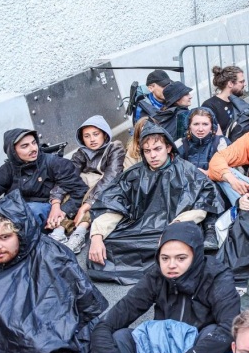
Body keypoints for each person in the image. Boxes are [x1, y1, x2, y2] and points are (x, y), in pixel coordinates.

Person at [89, 121, 225, 283]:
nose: (152, 155)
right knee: (106, 245)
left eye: (157, 149)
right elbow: (113, 204)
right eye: (147, 151)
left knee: (177, 245)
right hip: (139, 228)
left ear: (168, 148)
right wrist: (96, 236)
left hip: (175, 226)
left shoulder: (187, 171)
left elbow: (200, 207)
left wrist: (173, 229)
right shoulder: (134, 174)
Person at [0, 192, 107, 353]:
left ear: (19, 233)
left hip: (38, 329)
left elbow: (62, 310)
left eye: (4, 237)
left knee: (36, 347)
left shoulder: (52, 255)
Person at [92, 222, 240, 353]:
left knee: (213, 332)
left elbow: (229, 326)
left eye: (181, 258)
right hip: (162, 347)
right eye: (165, 258)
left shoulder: (217, 277)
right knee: (120, 337)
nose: (171, 265)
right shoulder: (155, 276)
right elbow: (107, 324)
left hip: (198, 349)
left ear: (196, 256)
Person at [0, 128, 86, 230]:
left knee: (8, 224)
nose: (33, 148)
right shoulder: (9, 167)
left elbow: (80, 191)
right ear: (13, 151)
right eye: (25, 146)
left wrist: (63, 211)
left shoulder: (54, 163)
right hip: (12, 207)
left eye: (34, 143)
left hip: (39, 209)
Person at [61, 115, 126, 253]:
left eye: (96, 134)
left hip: (105, 189)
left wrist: (87, 204)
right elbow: (68, 175)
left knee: (95, 197)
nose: (92, 139)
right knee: (72, 189)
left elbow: (111, 176)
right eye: (87, 136)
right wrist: (55, 200)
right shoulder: (81, 153)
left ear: (104, 134)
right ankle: (60, 229)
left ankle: (80, 232)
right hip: (86, 187)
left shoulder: (115, 147)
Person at [176, 107, 229, 172]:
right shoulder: (180, 144)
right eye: (196, 124)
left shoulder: (221, 143)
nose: (200, 129)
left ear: (212, 126)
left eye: (205, 124)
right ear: (189, 126)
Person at [203, 65, 247, 133]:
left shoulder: (239, 102)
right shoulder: (210, 106)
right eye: (241, 82)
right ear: (230, 84)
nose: (245, 84)